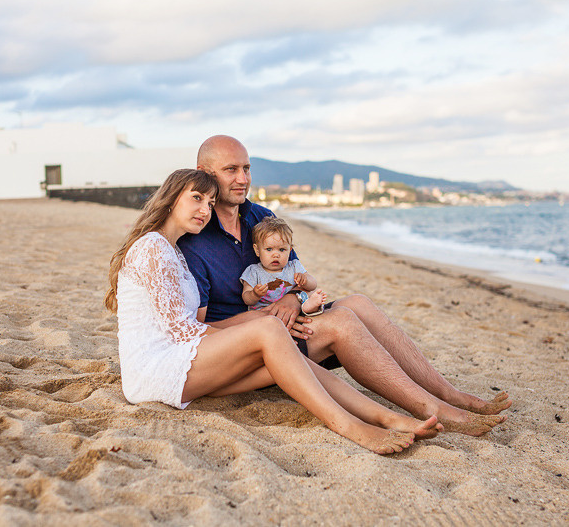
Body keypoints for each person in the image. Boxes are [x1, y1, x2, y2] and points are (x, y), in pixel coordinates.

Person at [178, 136, 512, 436]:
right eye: (231, 170)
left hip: (289, 324)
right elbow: (196, 331)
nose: (242, 179)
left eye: (247, 168)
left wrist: (294, 299)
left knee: (358, 303)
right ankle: (434, 409)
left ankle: (448, 394)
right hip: (248, 350)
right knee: (341, 322)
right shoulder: (195, 237)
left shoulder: (261, 217)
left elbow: (297, 278)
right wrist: (263, 321)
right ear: (204, 172)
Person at [105, 168, 441, 454]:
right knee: (269, 331)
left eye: (209, 202)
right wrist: (257, 330)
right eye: (196, 198)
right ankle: (349, 426)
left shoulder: (174, 250)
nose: (205, 209)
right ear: (171, 198)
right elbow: (182, 331)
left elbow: (188, 326)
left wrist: (260, 320)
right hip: (156, 370)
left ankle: (388, 418)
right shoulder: (153, 247)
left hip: (182, 362)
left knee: (284, 355)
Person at [241, 216, 326, 314]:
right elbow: (246, 299)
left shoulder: (294, 266)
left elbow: (313, 285)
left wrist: (305, 280)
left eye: (282, 250)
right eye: (269, 249)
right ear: (257, 250)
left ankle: (309, 307)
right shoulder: (253, 271)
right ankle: (308, 308)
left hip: (292, 310)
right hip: (265, 313)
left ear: (289, 250)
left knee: (306, 298)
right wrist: (254, 294)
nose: (276, 255)